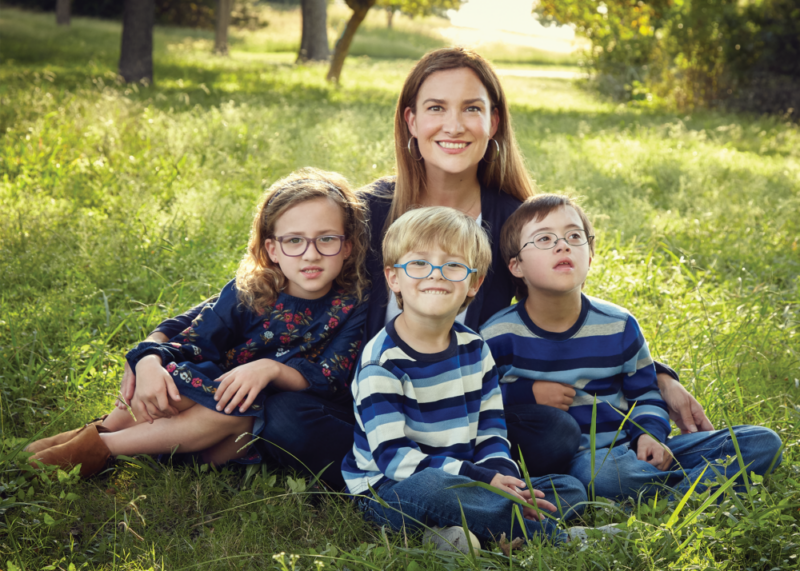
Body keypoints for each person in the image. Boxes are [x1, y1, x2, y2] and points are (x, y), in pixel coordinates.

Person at [121, 48, 712, 484]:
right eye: (435, 107)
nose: (452, 125)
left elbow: (565, 308)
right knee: (288, 416)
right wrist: (153, 347)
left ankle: (418, 474)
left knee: (552, 433)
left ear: (494, 122)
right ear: (410, 119)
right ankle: (385, 471)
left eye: (471, 109)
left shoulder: (511, 219)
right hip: (355, 396)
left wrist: (659, 372)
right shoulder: (369, 210)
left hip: (458, 403)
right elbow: (271, 284)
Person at [25, 169, 369, 478]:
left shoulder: (353, 305)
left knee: (241, 407)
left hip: (232, 433)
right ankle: (101, 430)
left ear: (348, 248)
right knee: (185, 372)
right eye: (294, 240)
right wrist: (150, 360)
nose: (310, 254)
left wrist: (270, 370)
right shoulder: (251, 290)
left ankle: (104, 448)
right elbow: (196, 339)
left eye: (327, 239)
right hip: (193, 408)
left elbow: (330, 378)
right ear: (272, 249)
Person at [482, 194, 783, 500]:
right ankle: (692, 492)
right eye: (544, 239)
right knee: (607, 478)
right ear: (516, 265)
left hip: (633, 446)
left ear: (590, 255)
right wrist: (527, 393)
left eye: (574, 236)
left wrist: (650, 436)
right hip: (582, 462)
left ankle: (667, 490)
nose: (563, 245)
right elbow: (478, 400)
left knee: (762, 442)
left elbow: (646, 394)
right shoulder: (500, 333)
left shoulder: (619, 324)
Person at [342, 207, 587, 549]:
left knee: (567, 487)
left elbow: (491, 431)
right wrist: (484, 480)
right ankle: (550, 537)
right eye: (419, 263)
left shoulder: (475, 349)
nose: (436, 274)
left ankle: (456, 536)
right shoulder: (381, 361)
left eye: (454, 265)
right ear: (393, 277)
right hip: (391, 491)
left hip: (468, 479)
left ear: (474, 283)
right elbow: (394, 459)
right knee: (433, 490)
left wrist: (507, 480)